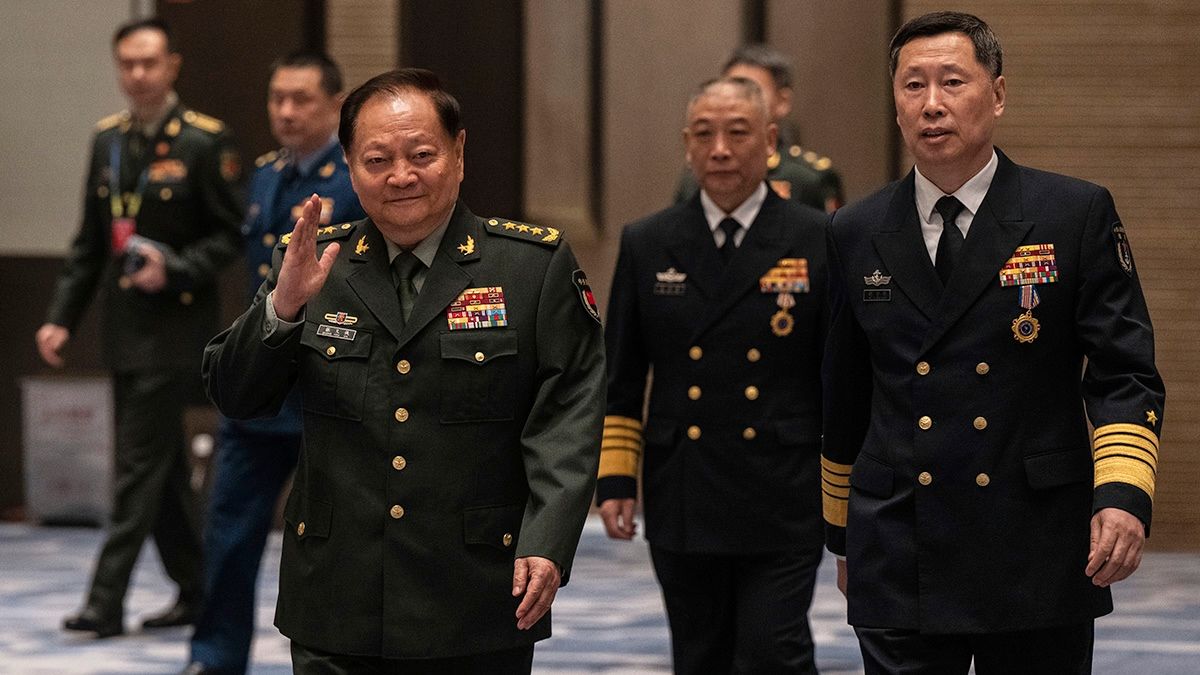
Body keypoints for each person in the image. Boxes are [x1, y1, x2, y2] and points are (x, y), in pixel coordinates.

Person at [201, 68, 604, 673]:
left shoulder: (529, 266)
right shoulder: (313, 260)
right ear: (348, 164)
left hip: (475, 594)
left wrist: (547, 541)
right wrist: (283, 309)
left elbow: (568, 412)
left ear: (459, 152)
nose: (401, 177)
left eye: (421, 155)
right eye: (377, 159)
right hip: (336, 595)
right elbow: (236, 395)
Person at [821, 11, 1165, 673]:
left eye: (952, 81)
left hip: (1033, 542)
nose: (932, 104)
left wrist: (1121, 494)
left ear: (998, 94)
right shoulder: (856, 229)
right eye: (913, 86)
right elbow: (845, 391)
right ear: (894, 104)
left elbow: (1124, 372)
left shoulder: (1071, 212)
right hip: (900, 541)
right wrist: (844, 537)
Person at [600, 77, 828, 674]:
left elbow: (840, 375)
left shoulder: (817, 238)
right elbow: (622, 374)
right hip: (685, 489)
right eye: (704, 135)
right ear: (687, 144)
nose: (720, 149)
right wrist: (617, 479)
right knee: (699, 656)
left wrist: (845, 486)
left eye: (737, 133)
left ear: (771, 140)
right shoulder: (649, 241)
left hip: (783, 487)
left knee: (772, 651)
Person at [36, 18, 243, 638]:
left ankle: (105, 602)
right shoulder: (109, 142)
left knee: (135, 468)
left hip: (176, 331)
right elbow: (90, 244)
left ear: (172, 66)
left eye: (149, 63)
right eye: (127, 63)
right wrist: (60, 319)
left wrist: (174, 268)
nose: (138, 75)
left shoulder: (205, 141)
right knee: (162, 471)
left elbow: (233, 234)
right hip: (124, 332)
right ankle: (197, 587)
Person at [181, 52, 363, 675]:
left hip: (327, 389)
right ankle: (214, 657)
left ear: (336, 105)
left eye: (301, 99)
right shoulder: (262, 177)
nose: (286, 111)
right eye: (277, 98)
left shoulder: (356, 180)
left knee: (335, 543)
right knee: (228, 532)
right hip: (262, 390)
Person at [673, 44, 844, 212]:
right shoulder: (697, 178)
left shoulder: (808, 178)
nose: (737, 98)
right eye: (733, 88)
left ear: (782, 102)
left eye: (753, 91)